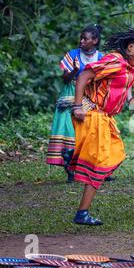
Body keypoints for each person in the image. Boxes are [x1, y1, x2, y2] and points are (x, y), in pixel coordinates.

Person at [69, 27, 134, 225]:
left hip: (105, 117)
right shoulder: (114, 60)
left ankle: (74, 158)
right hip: (93, 114)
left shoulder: (126, 65)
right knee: (102, 161)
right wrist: (78, 106)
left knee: (116, 154)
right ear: (130, 47)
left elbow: (121, 87)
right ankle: (82, 213)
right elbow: (82, 77)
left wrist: (133, 98)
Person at [46, 25, 104, 183]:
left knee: (90, 130)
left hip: (90, 95)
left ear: (95, 40)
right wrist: (74, 71)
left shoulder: (101, 58)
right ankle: (70, 169)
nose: (82, 41)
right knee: (69, 131)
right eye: (81, 38)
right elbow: (64, 78)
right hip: (70, 94)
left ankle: (96, 168)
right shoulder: (73, 55)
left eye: (85, 39)